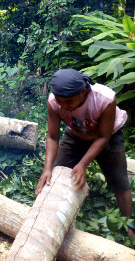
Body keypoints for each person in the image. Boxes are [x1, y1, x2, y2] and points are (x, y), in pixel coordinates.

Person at [38, 69, 134, 237]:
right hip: (75, 135)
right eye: (60, 101)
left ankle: (128, 226)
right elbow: (53, 136)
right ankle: (50, 217)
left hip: (108, 137)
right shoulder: (54, 102)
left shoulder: (105, 99)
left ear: (83, 92)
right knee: (56, 174)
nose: (63, 105)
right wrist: (47, 169)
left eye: (68, 101)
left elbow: (104, 136)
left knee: (120, 182)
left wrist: (82, 164)